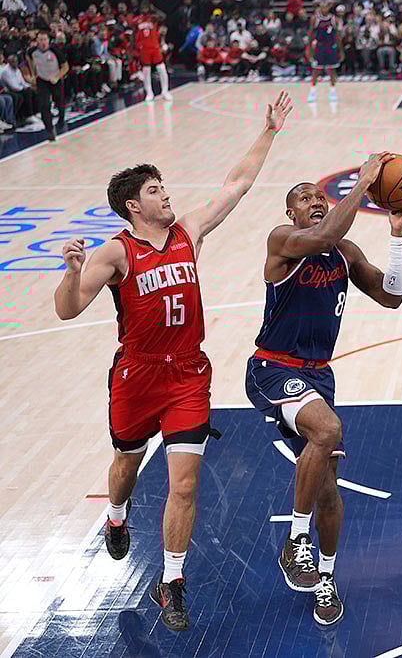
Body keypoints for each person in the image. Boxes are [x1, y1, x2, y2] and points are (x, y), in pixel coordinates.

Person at [51, 92, 292, 631]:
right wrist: (70, 272)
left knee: (184, 486)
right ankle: (116, 515)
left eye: (163, 187)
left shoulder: (189, 231)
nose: (166, 195)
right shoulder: (116, 252)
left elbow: (237, 184)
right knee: (126, 468)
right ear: (133, 204)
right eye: (155, 190)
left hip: (188, 374)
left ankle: (173, 582)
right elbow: (67, 312)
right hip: (137, 374)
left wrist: (269, 131)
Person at [245, 156, 402, 625]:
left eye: (319, 196)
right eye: (306, 199)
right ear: (292, 216)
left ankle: (325, 576)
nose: (316, 202)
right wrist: (364, 183)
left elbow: (391, 297)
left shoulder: (345, 252)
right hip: (272, 367)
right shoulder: (283, 242)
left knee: (329, 493)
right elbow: (321, 237)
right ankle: (295, 538)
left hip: (317, 376)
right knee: (327, 428)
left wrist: (397, 236)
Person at [27, 30, 67, 141]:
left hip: (55, 79)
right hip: (42, 80)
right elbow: (29, 58)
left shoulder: (55, 51)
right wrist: (33, 74)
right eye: (40, 40)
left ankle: (61, 118)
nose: (43, 42)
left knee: (59, 101)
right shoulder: (32, 51)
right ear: (37, 41)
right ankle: (49, 130)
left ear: (48, 40)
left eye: (45, 39)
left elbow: (65, 66)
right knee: (44, 105)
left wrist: (57, 76)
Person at [133, 0, 170, 101]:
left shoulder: (153, 18)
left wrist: (154, 9)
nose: (144, 9)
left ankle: (165, 91)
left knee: (162, 69)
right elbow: (133, 34)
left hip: (155, 47)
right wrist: (134, 48)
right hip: (144, 49)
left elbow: (164, 16)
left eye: (146, 7)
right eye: (143, 7)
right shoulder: (136, 20)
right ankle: (149, 92)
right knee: (146, 71)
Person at [307, 0, 342, 102]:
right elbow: (310, 35)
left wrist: (341, 51)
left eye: (326, 7)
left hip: (331, 47)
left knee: (332, 70)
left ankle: (332, 91)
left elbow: (338, 36)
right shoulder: (315, 19)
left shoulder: (334, 19)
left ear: (328, 8)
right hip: (320, 47)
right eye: (322, 7)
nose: (324, 9)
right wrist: (309, 50)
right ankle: (312, 92)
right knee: (316, 70)